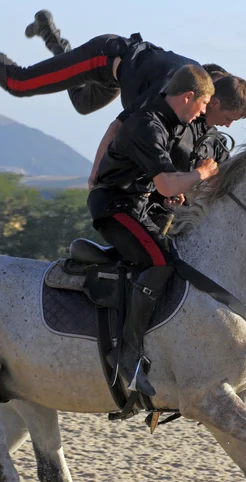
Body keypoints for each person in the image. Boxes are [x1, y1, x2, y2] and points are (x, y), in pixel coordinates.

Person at [0, 12, 246, 184]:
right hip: (102, 57)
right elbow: (118, 128)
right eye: (229, 117)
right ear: (212, 101)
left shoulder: (211, 83)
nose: (227, 124)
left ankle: (48, 33)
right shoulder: (166, 94)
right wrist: (95, 175)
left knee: (82, 104)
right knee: (20, 83)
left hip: (122, 71)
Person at [88, 65, 219, 397]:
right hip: (115, 207)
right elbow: (165, 180)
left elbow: (160, 183)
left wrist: (170, 189)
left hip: (135, 205)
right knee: (159, 262)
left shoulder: (168, 123)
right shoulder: (149, 125)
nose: (205, 112)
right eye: (203, 104)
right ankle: (127, 355)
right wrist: (200, 174)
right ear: (188, 97)